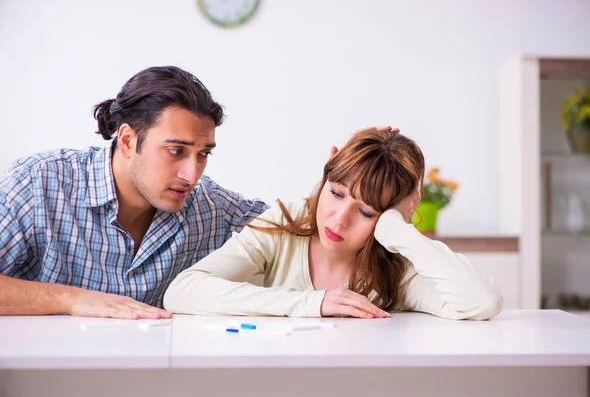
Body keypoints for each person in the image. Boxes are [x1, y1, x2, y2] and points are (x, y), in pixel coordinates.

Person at [0, 66, 269, 319]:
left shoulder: (211, 206)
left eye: (203, 154)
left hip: (154, 367)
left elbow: (295, 225)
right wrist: (68, 299)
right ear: (128, 140)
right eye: (176, 151)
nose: (192, 174)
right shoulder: (37, 184)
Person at [163, 129, 503, 320]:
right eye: (336, 193)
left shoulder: (395, 267)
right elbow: (183, 291)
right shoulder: (286, 223)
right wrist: (313, 303)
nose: (339, 219)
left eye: (367, 212)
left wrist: (400, 229)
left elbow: (480, 302)